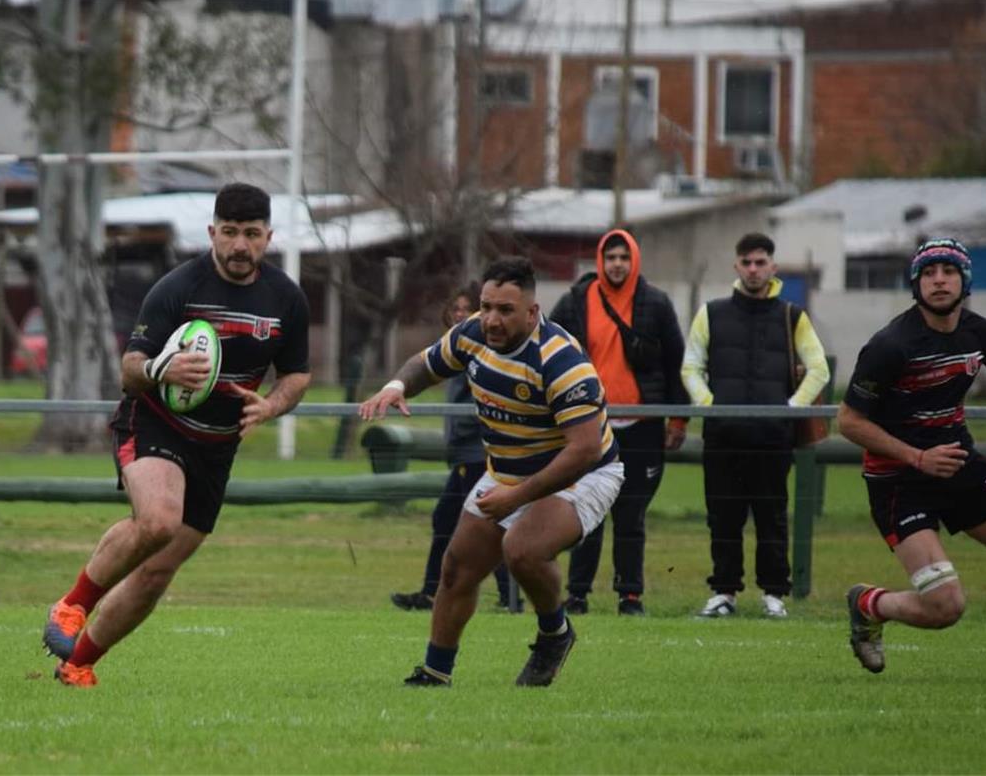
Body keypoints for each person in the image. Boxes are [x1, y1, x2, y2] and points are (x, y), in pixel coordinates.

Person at [41, 183, 312, 687]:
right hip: (155, 423)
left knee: (156, 573)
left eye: (251, 234)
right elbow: (129, 370)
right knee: (159, 520)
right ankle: (72, 605)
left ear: (268, 237)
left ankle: (77, 665)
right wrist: (163, 369)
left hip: (217, 447)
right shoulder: (178, 288)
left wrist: (272, 404)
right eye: (229, 233)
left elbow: (296, 373)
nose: (239, 246)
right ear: (212, 232)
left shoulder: (286, 299)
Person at [359, 257, 624, 688]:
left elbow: (583, 449)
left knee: (522, 549)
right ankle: (435, 671)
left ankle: (554, 635)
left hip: (585, 474)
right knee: (456, 568)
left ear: (533, 312)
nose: (492, 320)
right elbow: (426, 364)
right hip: (508, 469)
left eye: (505, 310)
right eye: (486, 307)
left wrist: (516, 500)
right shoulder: (471, 335)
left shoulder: (561, 361)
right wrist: (395, 386)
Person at [836, 238, 986, 674]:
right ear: (915, 284)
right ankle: (870, 604)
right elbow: (848, 421)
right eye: (928, 273)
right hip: (899, 483)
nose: (939, 280)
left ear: (965, 281)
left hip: (960, 466)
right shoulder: (891, 345)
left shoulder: (981, 333)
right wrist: (917, 457)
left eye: (948, 271)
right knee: (945, 606)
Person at [681, 232, 828, 619]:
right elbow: (691, 367)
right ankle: (724, 592)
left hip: (772, 437)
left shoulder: (792, 316)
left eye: (760, 262)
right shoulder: (711, 312)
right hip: (723, 436)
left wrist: (790, 409)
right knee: (723, 518)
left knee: (772, 516)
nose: (753, 269)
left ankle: (774, 595)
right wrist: (711, 406)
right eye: (746, 262)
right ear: (736, 266)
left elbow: (819, 369)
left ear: (772, 267)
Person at [548, 229, 688, 616]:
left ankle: (630, 595)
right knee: (586, 511)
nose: (617, 264)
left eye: (624, 257)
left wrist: (678, 419)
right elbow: (547, 353)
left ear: (635, 261)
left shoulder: (656, 304)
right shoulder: (576, 301)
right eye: (610, 257)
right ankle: (577, 594)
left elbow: (677, 364)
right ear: (599, 261)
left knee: (631, 514)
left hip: (643, 424)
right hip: (589, 426)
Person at [389, 284, 516, 613]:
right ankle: (434, 592)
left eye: (467, 308)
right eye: (456, 308)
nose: (461, 314)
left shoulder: (480, 350)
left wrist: (470, 430)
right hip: (462, 451)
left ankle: (508, 595)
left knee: (477, 523)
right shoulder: (456, 347)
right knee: (447, 520)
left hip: (477, 451)